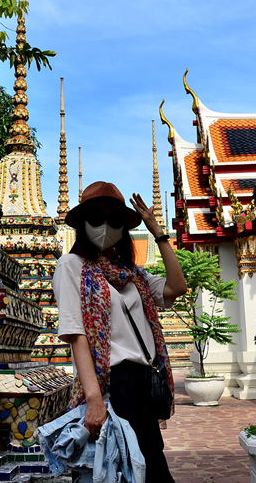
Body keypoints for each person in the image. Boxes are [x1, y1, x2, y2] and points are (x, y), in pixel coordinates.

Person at [53, 181, 186, 483]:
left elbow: (177, 287)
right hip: (112, 385)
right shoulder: (71, 265)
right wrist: (94, 399)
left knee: (152, 469)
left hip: (143, 383)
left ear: (124, 228)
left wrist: (158, 232)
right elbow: (76, 334)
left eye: (114, 220)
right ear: (82, 224)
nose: (105, 226)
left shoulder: (134, 275)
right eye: (95, 218)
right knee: (116, 473)